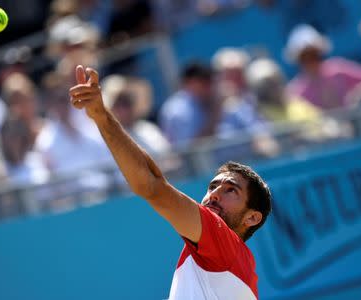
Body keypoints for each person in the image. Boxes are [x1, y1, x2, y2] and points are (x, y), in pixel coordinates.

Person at [69, 65, 272, 299]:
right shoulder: (226, 258)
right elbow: (156, 180)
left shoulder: (224, 245)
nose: (214, 194)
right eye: (213, 186)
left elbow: (152, 187)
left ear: (252, 217)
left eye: (231, 190)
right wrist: (101, 114)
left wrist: (102, 116)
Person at [286, 24, 361, 110]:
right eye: (305, 58)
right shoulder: (296, 91)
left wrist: (357, 98)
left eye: (314, 55)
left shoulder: (338, 69)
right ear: (299, 61)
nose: (311, 62)